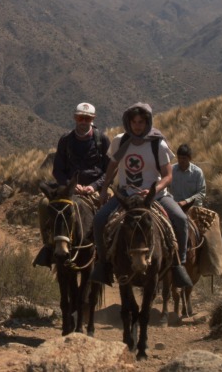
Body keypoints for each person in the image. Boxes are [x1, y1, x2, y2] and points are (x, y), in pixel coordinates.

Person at [90, 102, 193, 288]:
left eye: (141, 122)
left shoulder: (158, 144)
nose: (137, 126)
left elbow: (168, 175)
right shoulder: (119, 141)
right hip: (125, 196)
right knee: (99, 220)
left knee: (180, 219)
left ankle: (179, 264)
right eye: (134, 121)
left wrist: (156, 188)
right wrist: (104, 189)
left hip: (154, 196)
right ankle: (103, 264)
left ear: (148, 123)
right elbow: (112, 167)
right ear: (128, 122)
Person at [33, 102, 111, 267]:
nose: (83, 121)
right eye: (80, 118)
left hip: (94, 187)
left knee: (111, 211)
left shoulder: (102, 139)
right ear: (75, 118)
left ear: (93, 119)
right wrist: (71, 186)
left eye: (87, 118)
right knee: (44, 204)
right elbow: (58, 170)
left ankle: (108, 255)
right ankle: (48, 247)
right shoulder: (66, 140)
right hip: (68, 188)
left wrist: (95, 186)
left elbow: (109, 169)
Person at [170, 144, 206, 211]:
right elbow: (165, 189)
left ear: (189, 158)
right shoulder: (171, 170)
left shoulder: (197, 172)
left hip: (193, 208)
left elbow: (201, 193)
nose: (181, 160)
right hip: (176, 207)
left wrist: (186, 201)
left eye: (184, 158)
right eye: (179, 158)